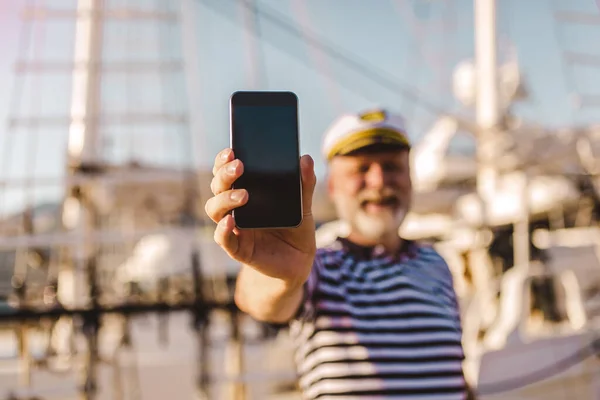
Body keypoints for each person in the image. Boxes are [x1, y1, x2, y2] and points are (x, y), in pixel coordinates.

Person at [205, 109, 471, 399]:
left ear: (410, 177)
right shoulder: (320, 266)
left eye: (392, 166)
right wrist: (278, 273)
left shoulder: (437, 264)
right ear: (331, 186)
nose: (380, 181)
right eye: (361, 169)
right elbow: (259, 300)